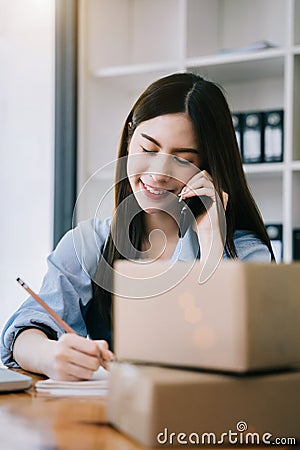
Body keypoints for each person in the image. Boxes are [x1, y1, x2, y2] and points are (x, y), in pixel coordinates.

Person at [1, 72, 274, 381]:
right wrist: (50, 356)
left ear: (208, 167)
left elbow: (246, 351)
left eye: (182, 159)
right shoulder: (91, 241)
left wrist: (212, 239)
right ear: (130, 139)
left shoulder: (246, 253)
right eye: (148, 149)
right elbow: (26, 330)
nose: (158, 174)